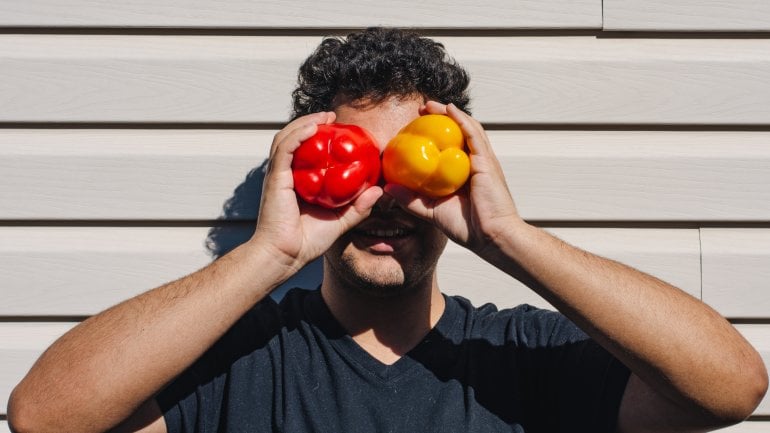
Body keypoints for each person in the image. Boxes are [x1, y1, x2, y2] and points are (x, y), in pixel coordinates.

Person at [7, 27, 767, 433]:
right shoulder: (241, 361)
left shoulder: (518, 357)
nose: (387, 202)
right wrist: (270, 253)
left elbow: (731, 387)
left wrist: (505, 233)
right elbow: (43, 417)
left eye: (410, 172)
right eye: (359, 167)